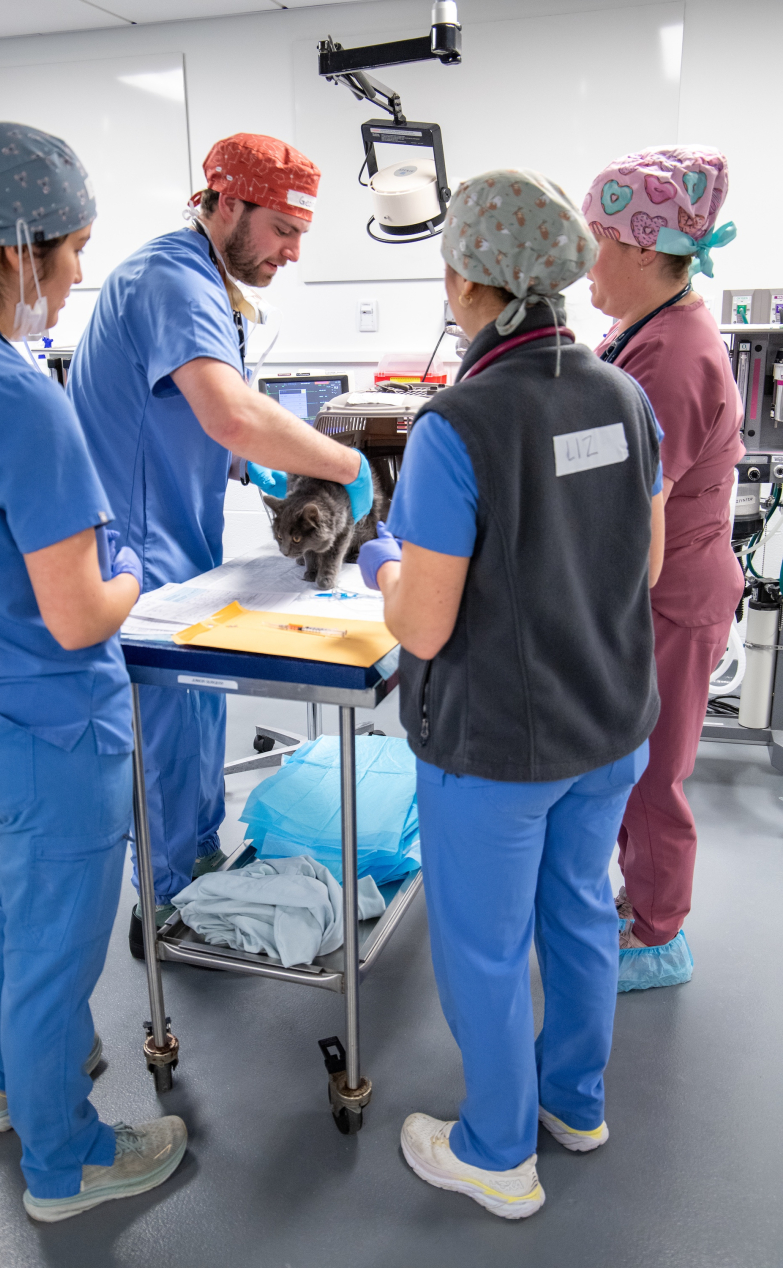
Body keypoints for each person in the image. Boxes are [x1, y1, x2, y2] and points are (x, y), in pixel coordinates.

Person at [358, 169, 665, 1218]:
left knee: (484, 949)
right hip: (607, 724)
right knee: (576, 912)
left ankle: (494, 1151)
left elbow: (421, 627)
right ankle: (573, 1104)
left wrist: (384, 564)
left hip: (497, 751)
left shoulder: (456, 425)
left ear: (464, 281)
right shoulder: (622, 397)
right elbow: (643, 564)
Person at [0, 122, 185, 1222]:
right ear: (18, 249)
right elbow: (81, 611)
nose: (80, 273)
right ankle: (66, 1162)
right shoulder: (13, 392)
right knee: (55, 944)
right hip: (47, 725)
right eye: (76, 249)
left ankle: (6, 1086)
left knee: (19, 904)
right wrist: (134, 565)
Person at [66, 133, 372, 952]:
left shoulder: (207, 280)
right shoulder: (169, 277)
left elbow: (201, 416)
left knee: (198, 720)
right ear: (227, 203)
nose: (293, 251)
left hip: (179, 544)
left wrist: (253, 466)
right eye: (282, 229)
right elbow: (229, 412)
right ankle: (166, 904)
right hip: (137, 553)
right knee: (168, 736)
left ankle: (197, 862)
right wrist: (345, 466)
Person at [583, 146, 744, 990]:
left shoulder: (672, 356)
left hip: (669, 594)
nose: (584, 260)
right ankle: (639, 904)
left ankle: (657, 935)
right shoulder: (643, 329)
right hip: (659, 588)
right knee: (633, 760)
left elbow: (632, 508)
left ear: (644, 249)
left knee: (651, 771)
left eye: (597, 242)